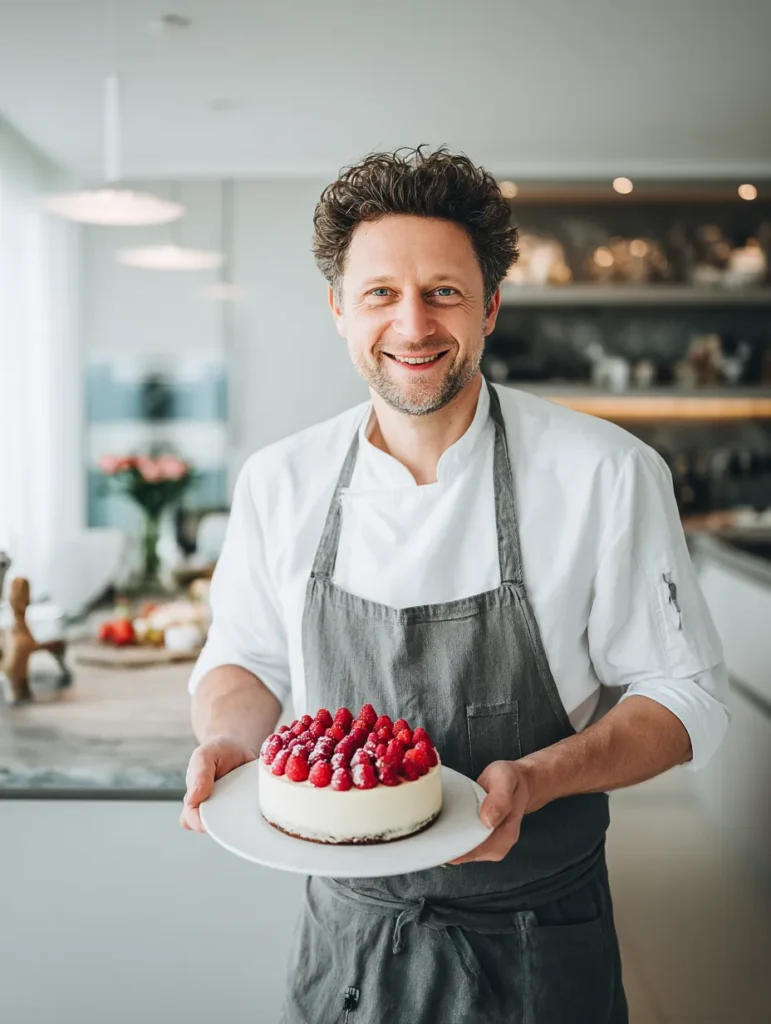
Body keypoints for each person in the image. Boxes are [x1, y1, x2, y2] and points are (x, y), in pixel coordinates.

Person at [181, 146, 730, 1023]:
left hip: (536, 938)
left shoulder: (606, 473)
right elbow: (244, 662)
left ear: (490, 307)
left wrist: (541, 779)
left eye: (443, 291)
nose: (412, 326)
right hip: (348, 942)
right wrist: (227, 743)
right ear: (336, 308)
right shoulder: (278, 480)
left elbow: (685, 697)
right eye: (379, 294)